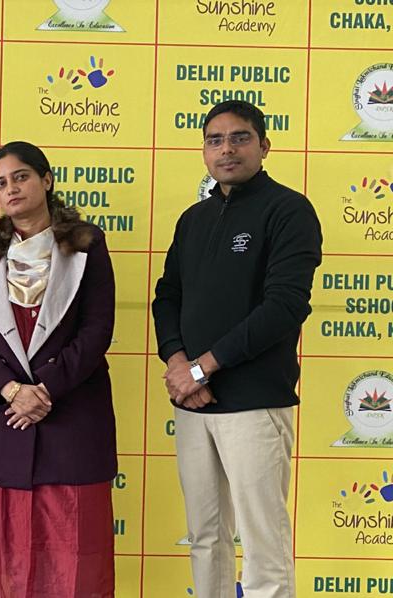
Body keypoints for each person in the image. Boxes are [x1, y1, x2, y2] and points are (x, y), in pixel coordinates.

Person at [153, 100, 322, 597]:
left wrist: (202, 369)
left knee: (263, 542)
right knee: (206, 538)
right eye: (215, 140)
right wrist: (179, 364)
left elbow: (285, 306)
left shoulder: (288, 210)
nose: (226, 149)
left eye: (240, 137)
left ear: (264, 146)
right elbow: (167, 296)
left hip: (254, 401)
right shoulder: (193, 219)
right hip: (193, 404)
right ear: (205, 151)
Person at [0, 141, 117, 598]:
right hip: (4, 422)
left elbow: (97, 329)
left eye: (21, 176)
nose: (11, 188)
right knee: (8, 562)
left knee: (78, 561)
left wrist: (43, 389)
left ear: (46, 180)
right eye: (1, 183)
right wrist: (11, 390)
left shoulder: (86, 245)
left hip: (71, 419)